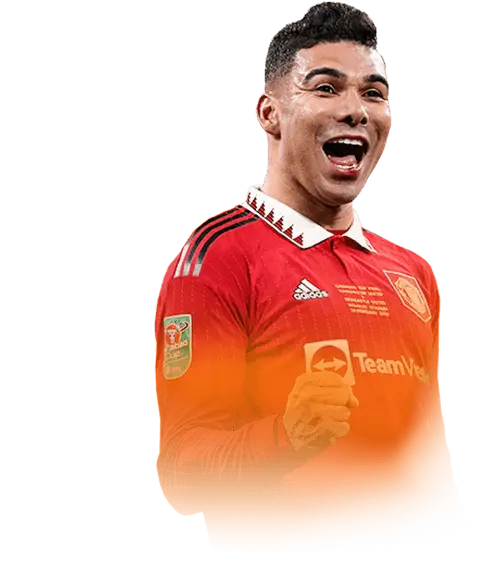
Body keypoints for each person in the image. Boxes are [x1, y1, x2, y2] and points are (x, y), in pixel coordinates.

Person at [154, 2, 467, 552]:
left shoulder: (412, 273)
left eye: (374, 93)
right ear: (269, 113)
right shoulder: (219, 257)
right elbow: (182, 471)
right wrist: (286, 437)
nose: (356, 111)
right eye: (326, 88)